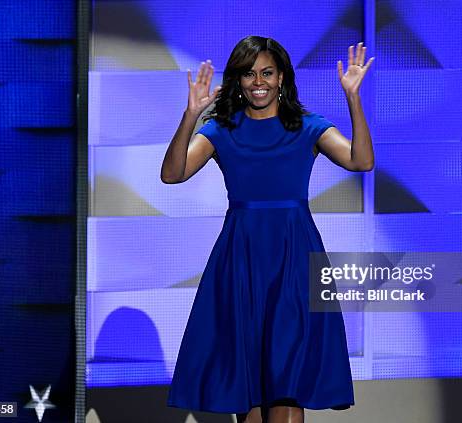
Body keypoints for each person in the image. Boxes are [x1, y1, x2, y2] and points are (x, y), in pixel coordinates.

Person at [162, 35, 374, 423]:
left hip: (294, 258)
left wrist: (353, 98)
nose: (258, 81)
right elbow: (172, 174)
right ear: (238, 81)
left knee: (287, 377)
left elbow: (361, 161)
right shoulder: (222, 130)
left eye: (267, 73)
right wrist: (191, 114)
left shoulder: (307, 127)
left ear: (281, 79)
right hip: (241, 260)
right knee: (252, 387)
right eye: (248, 73)